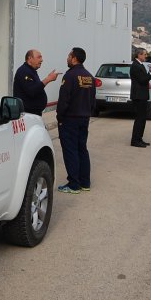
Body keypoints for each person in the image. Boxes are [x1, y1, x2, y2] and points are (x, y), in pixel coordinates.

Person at [56, 47, 95, 194]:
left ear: (74, 58)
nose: (67, 58)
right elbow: (92, 100)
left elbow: (64, 101)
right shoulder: (89, 76)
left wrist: (60, 117)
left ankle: (73, 184)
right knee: (82, 149)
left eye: (69, 56)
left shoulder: (70, 76)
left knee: (70, 150)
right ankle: (85, 182)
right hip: (84, 119)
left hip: (70, 120)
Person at [13, 49, 59, 116]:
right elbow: (32, 91)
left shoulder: (31, 70)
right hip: (27, 115)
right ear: (30, 58)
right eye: (39, 57)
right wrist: (48, 79)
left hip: (33, 114)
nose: (41, 60)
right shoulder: (24, 71)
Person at [130, 48, 151, 148]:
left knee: (142, 118)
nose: (146, 56)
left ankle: (139, 138)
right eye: (145, 54)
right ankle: (135, 140)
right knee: (139, 119)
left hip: (142, 95)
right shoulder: (136, 66)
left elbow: (143, 80)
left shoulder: (140, 65)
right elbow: (142, 79)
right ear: (139, 55)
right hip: (139, 96)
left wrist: (147, 82)